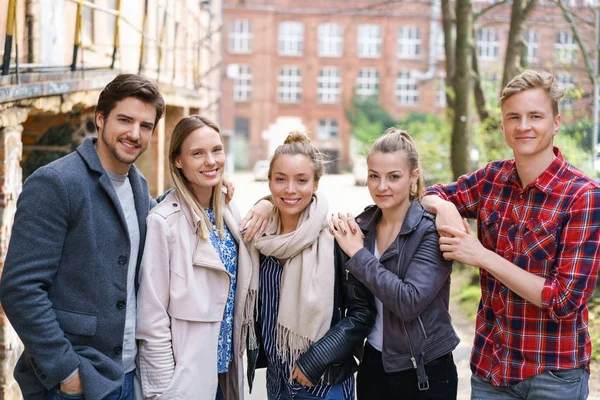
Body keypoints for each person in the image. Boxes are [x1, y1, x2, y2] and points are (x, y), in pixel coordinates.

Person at [422, 70, 600, 400]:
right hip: (492, 368)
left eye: (535, 116)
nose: (523, 126)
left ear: (556, 123)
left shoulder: (584, 196)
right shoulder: (491, 179)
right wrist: (445, 207)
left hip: (553, 374)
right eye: (513, 117)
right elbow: (428, 191)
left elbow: (563, 300)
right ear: (503, 126)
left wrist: (481, 256)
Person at [0, 74, 165, 400]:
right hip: (77, 384)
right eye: (125, 120)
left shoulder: (138, 185)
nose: (134, 133)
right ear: (100, 119)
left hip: (128, 375)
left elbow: (161, 218)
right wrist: (66, 371)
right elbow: (20, 289)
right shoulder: (56, 182)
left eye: (145, 126)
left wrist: (212, 190)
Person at [330, 128, 460, 399]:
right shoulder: (363, 227)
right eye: (374, 176)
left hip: (426, 371)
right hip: (374, 364)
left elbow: (408, 302)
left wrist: (359, 256)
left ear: (414, 177)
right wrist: (267, 201)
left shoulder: (431, 230)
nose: (381, 186)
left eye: (394, 177)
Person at [245, 132, 375, 400]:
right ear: (269, 182)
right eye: (280, 179)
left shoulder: (336, 237)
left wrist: (315, 360)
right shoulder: (260, 240)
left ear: (316, 184)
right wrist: (262, 204)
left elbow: (362, 313)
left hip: (325, 384)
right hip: (277, 382)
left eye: (301, 180)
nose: (290, 189)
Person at [135, 115, 258, 399]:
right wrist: (166, 391)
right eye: (197, 154)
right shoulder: (163, 223)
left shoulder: (228, 211)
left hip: (225, 372)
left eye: (216, 150)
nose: (211, 161)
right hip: (186, 380)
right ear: (178, 161)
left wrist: (264, 203)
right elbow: (151, 318)